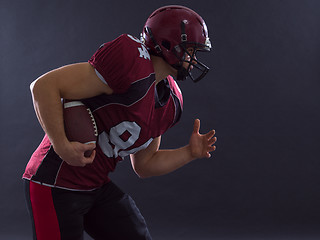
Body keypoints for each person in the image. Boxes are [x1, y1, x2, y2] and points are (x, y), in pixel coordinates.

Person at [23, 5, 217, 240]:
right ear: (169, 46)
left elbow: (144, 165)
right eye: (190, 51)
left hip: (94, 186)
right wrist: (62, 145)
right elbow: (43, 86)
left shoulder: (171, 101)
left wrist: (189, 153)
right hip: (54, 183)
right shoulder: (130, 61)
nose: (193, 59)